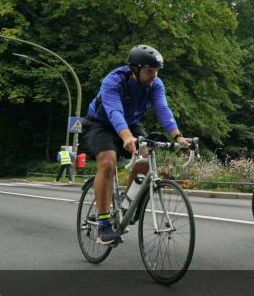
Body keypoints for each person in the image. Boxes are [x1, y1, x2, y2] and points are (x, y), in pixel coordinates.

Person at [81, 45, 191, 245]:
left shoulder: (155, 84)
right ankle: (104, 222)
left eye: (156, 71)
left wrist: (178, 136)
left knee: (147, 157)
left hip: (131, 122)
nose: (154, 76)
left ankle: (127, 201)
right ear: (135, 69)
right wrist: (126, 136)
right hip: (101, 123)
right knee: (108, 162)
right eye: (150, 71)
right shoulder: (113, 81)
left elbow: (163, 109)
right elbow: (114, 111)